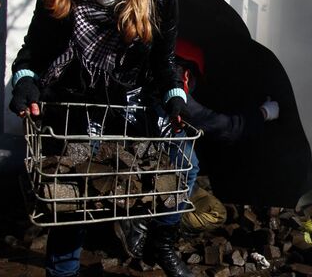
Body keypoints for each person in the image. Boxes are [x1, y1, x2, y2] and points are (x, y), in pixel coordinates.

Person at [8, 0, 190, 276]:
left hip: (133, 105)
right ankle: (62, 270)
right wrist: (26, 81)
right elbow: (31, 56)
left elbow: (163, 62)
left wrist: (174, 96)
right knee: (73, 193)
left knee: (184, 169)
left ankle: (162, 241)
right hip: (74, 106)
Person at [115, 37, 280, 259]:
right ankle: (151, 226)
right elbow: (226, 127)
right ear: (186, 73)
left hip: (144, 178)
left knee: (196, 185)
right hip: (155, 185)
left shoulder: (133, 84)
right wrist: (264, 113)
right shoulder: (171, 96)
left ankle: (147, 221)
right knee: (214, 212)